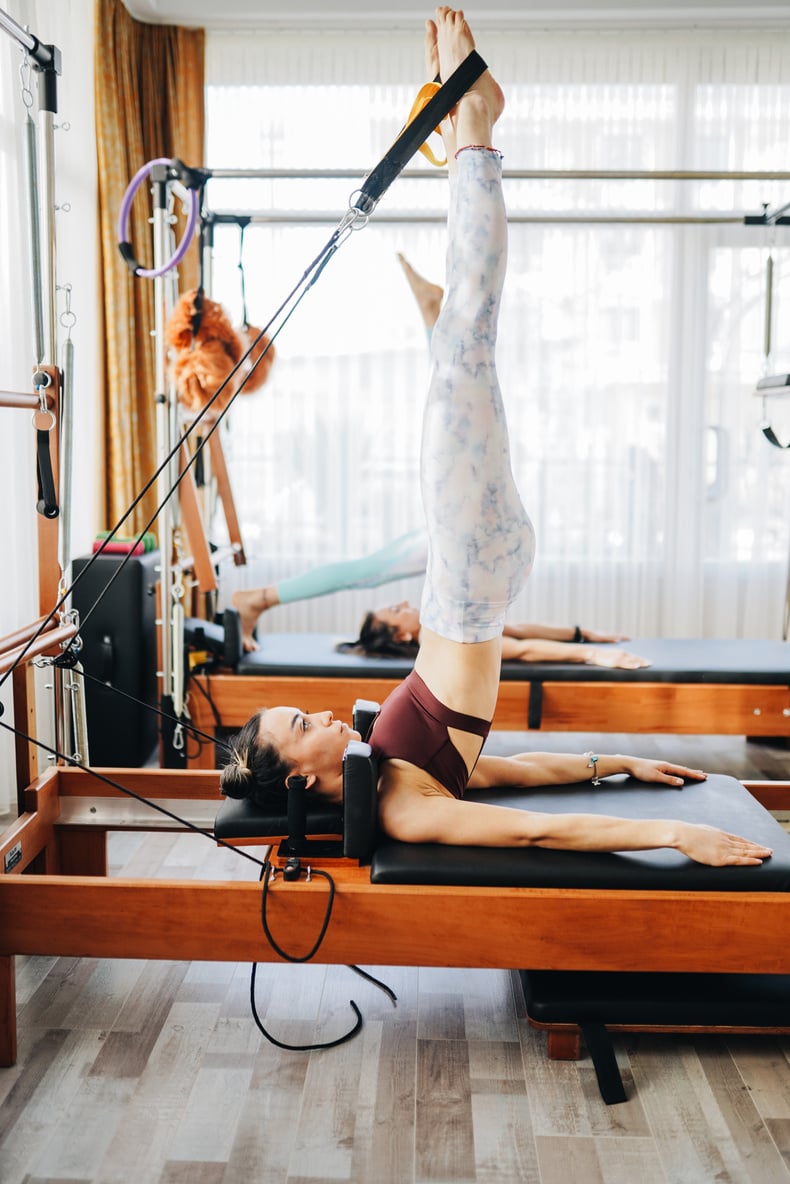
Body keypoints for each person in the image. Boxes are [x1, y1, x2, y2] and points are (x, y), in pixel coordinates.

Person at [220, 7, 771, 868]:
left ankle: (456, 215)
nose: (324, 713)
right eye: (302, 727)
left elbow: (508, 774)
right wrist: (673, 831)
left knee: (464, 357)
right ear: (298, 781)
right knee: (467, 342)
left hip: (472, 572)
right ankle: (474, 129)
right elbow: (529, 826)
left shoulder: (386, 764)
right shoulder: (405, 809)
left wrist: (611, 762)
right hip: (471, 580)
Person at [231, 530, 647, 668]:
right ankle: (259, 598)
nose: (402, 602)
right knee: (366, 572)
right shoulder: (441, 633)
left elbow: (518, 631)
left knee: (367, 570)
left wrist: (581, 634)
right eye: (396, 611)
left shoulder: (437, 613)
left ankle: (260, 599)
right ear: (403, 637)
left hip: (461, 541)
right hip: (460, 541)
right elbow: (518, 646)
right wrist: (591, 654)